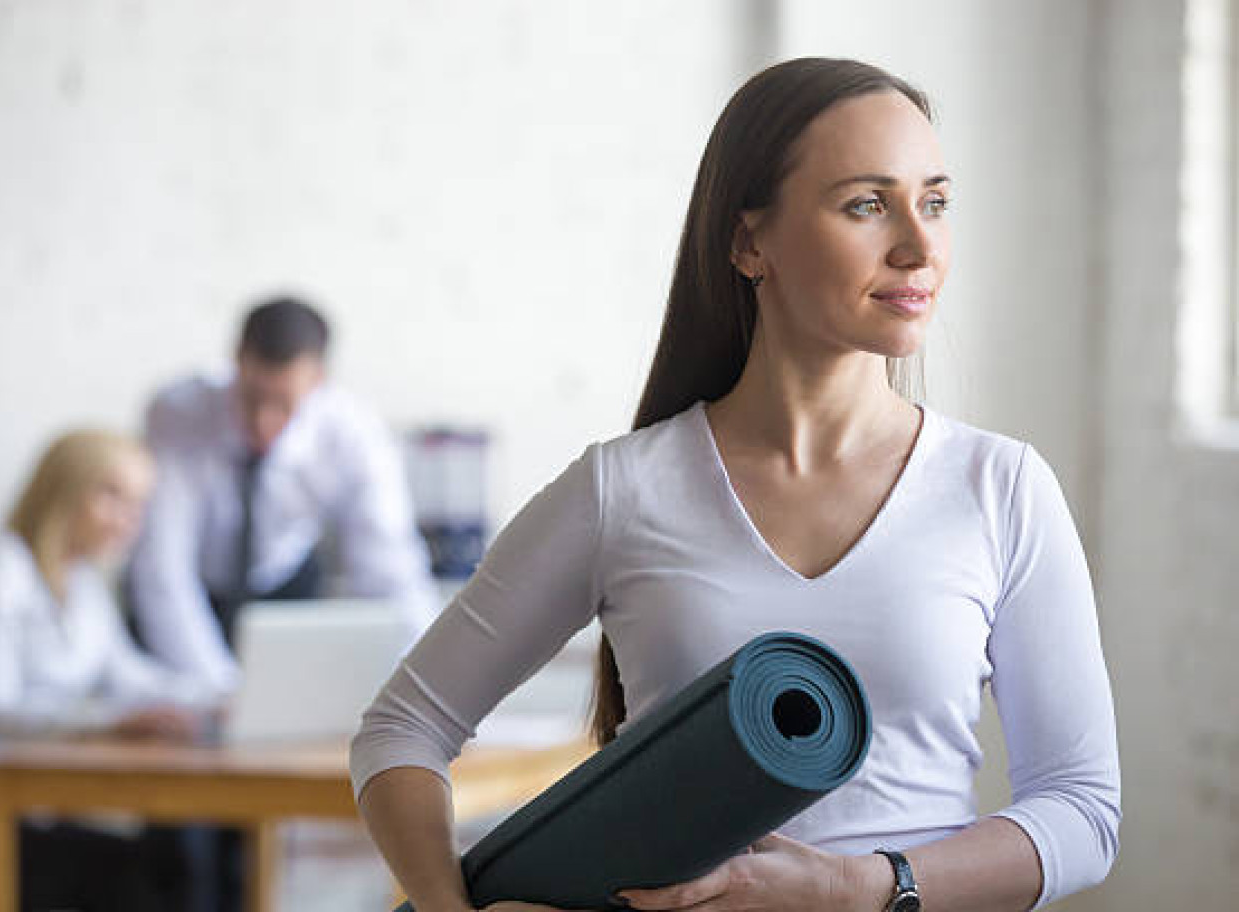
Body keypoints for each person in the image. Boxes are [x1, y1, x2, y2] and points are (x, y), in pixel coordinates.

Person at [349, 58, 1121, 912]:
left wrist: (861, 886)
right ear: (749, 241)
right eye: (867, 204)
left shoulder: (1000, 488)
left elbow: (1083, 812)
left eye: (934, 202)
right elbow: (402, 730)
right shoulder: (625, 490)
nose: (919, 245)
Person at [0, 430, 213, 912]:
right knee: (119, 873)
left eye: (138, 505)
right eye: (112, 496)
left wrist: (220, 695)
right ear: (65, 489)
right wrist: (108, 723)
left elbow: (132, 678)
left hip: (10, 804)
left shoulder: (83, 585)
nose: (128, 520)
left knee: (168, 856)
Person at [126, 295, 437, 696]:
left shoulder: (355, 436)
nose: (262, 421)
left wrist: (428, 686)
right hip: (193, 592)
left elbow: (390, 570)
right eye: (252, 398)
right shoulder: (176, 412)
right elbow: (162, 568)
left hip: (285, 590)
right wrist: (219, 693)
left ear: (319, 380)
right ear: (236, 360)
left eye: (283, 404)